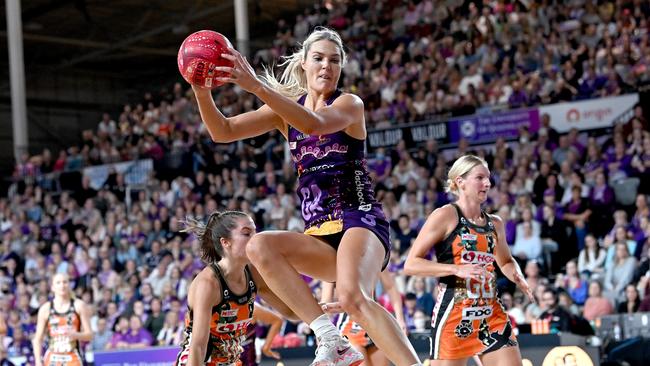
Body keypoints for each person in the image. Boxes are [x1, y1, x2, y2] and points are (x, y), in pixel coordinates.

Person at [192, 27, 420, 365]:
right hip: (320, 233)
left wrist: (256, 85)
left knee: (352, 296)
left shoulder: (349, 103)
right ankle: (331, 339)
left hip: (361, 219)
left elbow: (313, 124)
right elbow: (221, 131)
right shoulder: (285, 112)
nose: (326, 66)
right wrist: (200, 88)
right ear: (303, 63)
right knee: (257, 246)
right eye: (318, 58)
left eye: (334, 60)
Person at [404, 155, 534, 365]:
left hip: (491, 315)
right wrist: (457, 269)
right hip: (455, 315)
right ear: (460, 181)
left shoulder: (495, 223)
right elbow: (411, 264)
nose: (487, 183)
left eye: (488, 178)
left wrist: (517, 274)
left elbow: (506, 261)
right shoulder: (445, 215)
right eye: (480, 177)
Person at [174, 210, 295, 366]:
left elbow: (290, 312)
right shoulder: (208, 284)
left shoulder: (254, 274)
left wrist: (318, 310)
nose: (255, 240)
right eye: (246, 234)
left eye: (255, 233)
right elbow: (198, 348)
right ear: (226, 242)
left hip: (230, 362)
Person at [322, 270, 407, 366]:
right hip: (350, 326)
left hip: (376, 323)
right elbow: (325, 301)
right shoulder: (334, 260)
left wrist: (400, 319)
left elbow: (390, 287)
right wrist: (322, 332)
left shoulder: (374, 255)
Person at [32, 273, 93, 366]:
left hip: (73, 356)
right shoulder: (45, 309)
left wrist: (76, 335)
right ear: (52, 287)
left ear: (69, 285)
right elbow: (37, 338)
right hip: (52, 358)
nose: (62, 285)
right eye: (58, 283)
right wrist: (38, 361)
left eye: (65, 282)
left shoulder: (79, 305)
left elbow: (89, 335)